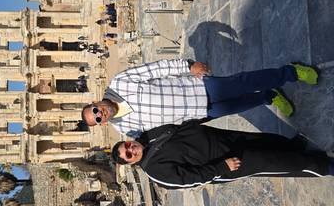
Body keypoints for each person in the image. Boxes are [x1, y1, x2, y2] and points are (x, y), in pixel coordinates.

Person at [81, 59, 318, 138]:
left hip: (198, 89)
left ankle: (291, 72)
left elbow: (156, 69)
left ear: (94, 102)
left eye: (95, 111)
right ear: (102, 124)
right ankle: (269, 97)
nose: (100, 114)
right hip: (197, 114)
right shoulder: (126, 129)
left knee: (244, 82)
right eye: (98, 120)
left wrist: (187, 65)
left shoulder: (119, 83)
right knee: (239, 106)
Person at [111, 120, 334, 189]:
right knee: (277, 162)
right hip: (227, 163)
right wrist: (222, 168)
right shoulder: (156, 172)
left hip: (223, 138)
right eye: (128, 155)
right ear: (130, 163)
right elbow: (191, 179)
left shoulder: (147, 136)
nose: (131, 150)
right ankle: (325, 166)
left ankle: (294, 146)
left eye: (127, 146)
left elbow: (176, 128)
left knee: (267, 141)